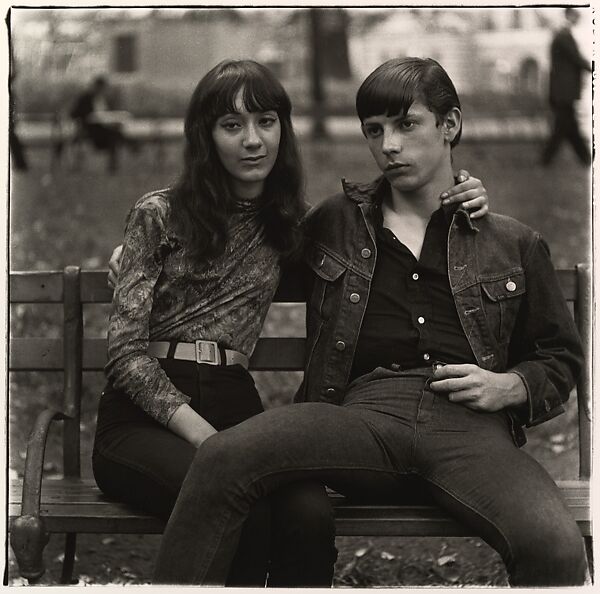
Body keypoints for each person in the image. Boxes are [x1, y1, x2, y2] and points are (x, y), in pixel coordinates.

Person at [148, 57, 587, 587]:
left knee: (556, 548)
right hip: (359, 417)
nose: (390, 146)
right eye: (375, 131)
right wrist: (147, 249)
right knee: (223, 456)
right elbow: (242, 252)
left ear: (449, 125)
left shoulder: (512, 242)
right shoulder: (334, 222)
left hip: (468, 430)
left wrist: (511, 385)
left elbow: (559, 358)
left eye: (407, 125)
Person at [541, 7, 591, 166]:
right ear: (569, 15)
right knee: (564, 128)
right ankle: (546, 161)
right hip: (563, 92)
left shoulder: (562, 34)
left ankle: (586, 159)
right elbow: (576, 58)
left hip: (563, 91)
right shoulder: (563, 35)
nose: (578, 19)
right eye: (576, 16)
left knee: (568, 127)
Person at [70, 75, 137, 172]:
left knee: (115, 132)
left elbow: (105, 115)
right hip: (91, 129)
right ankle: (131, 144)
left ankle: (127, 149)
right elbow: (75, 113)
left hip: (103, 128)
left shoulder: (102, 99)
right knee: (114, 135)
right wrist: (89, 117)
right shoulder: (85, 98)